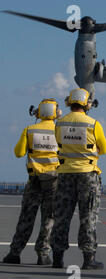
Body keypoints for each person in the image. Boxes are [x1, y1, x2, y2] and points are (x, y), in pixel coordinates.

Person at [50, 88, 106, 270]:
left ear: (69, 102)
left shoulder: (59, 124)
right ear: (85, 103)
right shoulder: (93, 124)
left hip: (65, 174)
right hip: (88, 175)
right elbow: (104, 149)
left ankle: (58, 258)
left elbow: (57, 144)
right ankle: (88, 258)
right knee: (88, 217)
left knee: (61, 217)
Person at [3, 99, 61, 265]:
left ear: (38, 113)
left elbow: (18, 153)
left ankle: (15, 253)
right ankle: (43, 254)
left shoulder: (29, 130)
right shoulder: (59, 130)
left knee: (27, 216)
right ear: (56, 113)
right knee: (48, 218)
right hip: (53, 179)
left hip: (34, 179)